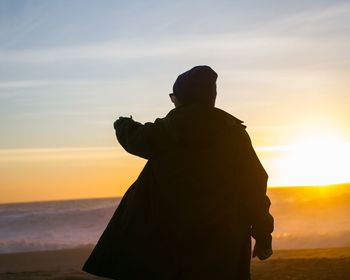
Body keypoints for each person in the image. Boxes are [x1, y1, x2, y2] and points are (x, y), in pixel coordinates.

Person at [82, 65, 274, 280]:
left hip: (167, 242)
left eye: (173, 97)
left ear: (181, 97)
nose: (172, 101)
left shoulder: (163, 131)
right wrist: (263, 235)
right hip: (223, 242)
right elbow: (254, 186)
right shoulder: (233, 133)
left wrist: (122, 124)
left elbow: (133, 138)